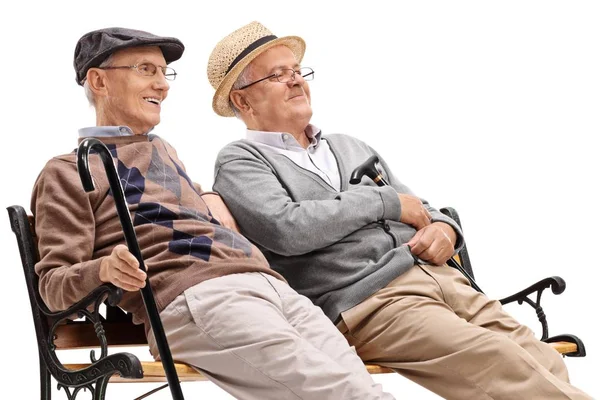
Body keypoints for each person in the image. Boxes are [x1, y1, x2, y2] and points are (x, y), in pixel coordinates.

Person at [209, 21, 593, 400]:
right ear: (242, 100)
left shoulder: (348, 145)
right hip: (370, 302)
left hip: (442, 281)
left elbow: (418, 207)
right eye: (277, 75)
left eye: (297, 71)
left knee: (543, 360)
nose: (295, 80)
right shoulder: (242, 161)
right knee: (503, 363)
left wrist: (446, 231)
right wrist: (383, 203)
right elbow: (287, 229)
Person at [31, 27, 394, 400]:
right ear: (98, 80)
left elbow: (169, 208)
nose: (163, 85)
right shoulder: (68, 171)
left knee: (363, 388)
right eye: (145, 69)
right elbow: (52, 288)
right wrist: (103, 270)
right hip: (197, 299)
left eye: (163, 72)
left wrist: (209, 195)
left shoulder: (165, 150)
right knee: (344, 394)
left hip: (272, 288)